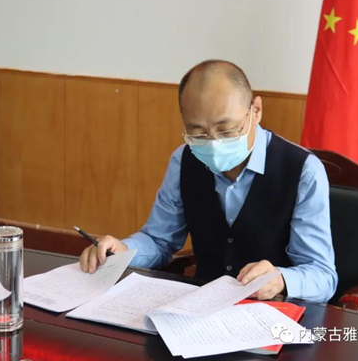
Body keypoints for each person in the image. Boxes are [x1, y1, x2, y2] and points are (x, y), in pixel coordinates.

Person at [80, 60, 337, 303]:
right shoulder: (184, 160)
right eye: (198, 133)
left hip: (272, 314)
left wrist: (281, 279)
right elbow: (159, 240)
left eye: (226, 130)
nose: (213, 144)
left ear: (255, 110)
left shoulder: (303, 170)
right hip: (199, 308)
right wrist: (123, 249)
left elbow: (323, 275)